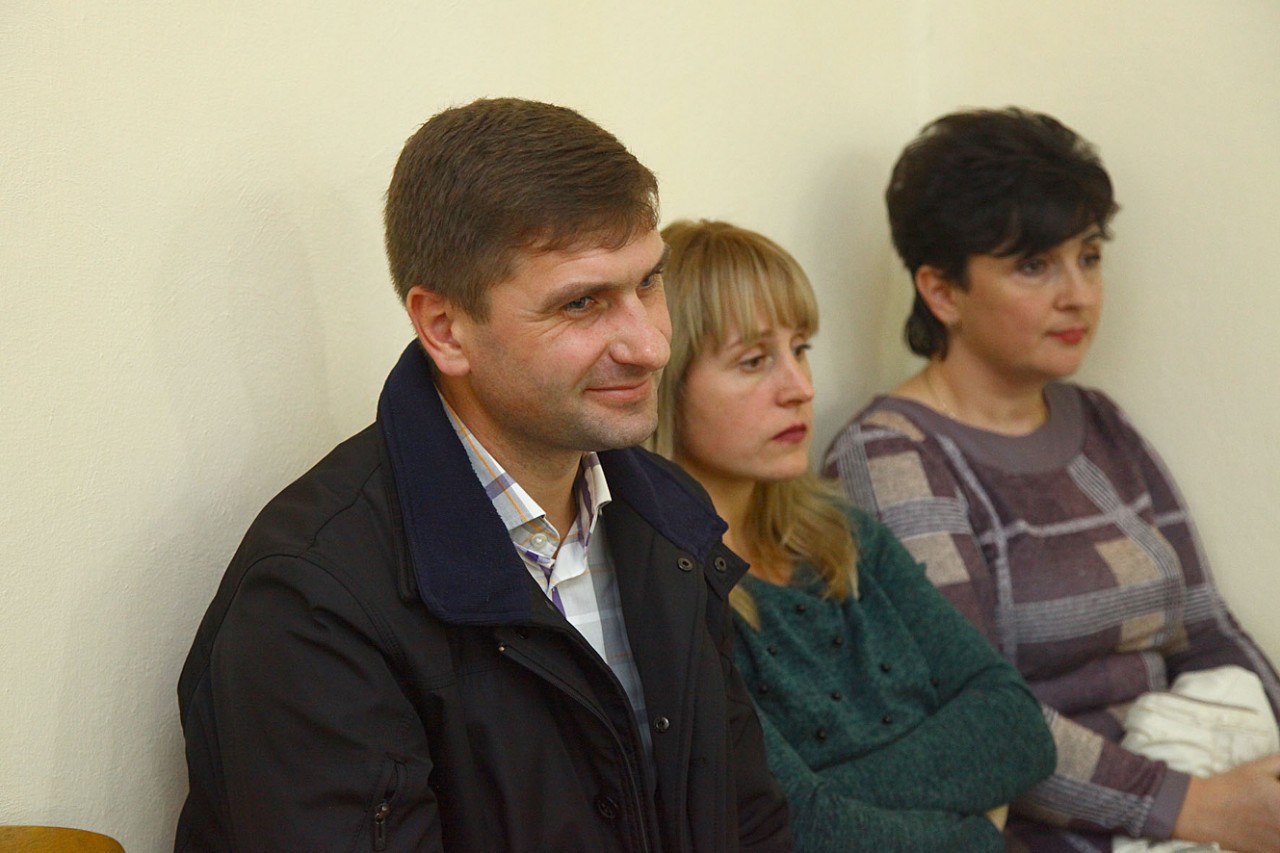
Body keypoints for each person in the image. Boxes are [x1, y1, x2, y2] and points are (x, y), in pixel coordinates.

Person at [174, 98, 792, 852]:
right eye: (582, 302)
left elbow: (749, 821)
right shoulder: (313, 602)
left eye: (648, 283)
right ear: (445, 329)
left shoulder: (667, 513)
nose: (651, 345)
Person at [822, 107, 1280, 852]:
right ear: (942, 291)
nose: (1079, 294)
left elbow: (1207, 628)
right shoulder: (888, 458)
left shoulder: (1100, 423)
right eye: (1034, 266)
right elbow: (979, 717)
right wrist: (1191, 806)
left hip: (1198, 792)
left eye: (1089, 257)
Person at [651, 218, 1055, 851]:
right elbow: (796, 827)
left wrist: (832, 801)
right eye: (754, 361)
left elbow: (1019, 730)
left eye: (800, 349)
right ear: (666, 386)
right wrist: (977, 832)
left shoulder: (841, 534)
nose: (801, 388)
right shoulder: (670, 591)